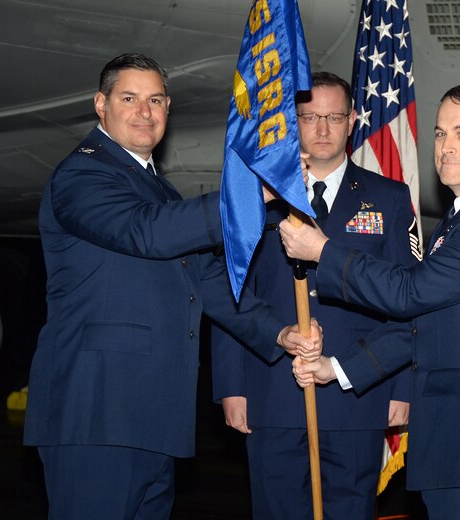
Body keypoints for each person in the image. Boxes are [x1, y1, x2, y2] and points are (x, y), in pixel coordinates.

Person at [22, 53, 321, 520]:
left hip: (153, 417)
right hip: (97, 414)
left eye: (156, 100)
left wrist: (279, 333)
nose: (145, 112)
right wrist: (250, 193)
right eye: (129, 98)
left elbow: (207, 282)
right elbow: (146, 232)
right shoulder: (82, 175)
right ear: (101, 105)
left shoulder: (160, 192)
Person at [280, 83, 460, 519]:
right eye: (440, 133)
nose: (446, 146)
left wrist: (323, 252)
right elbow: (426, 321)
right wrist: (337, 368)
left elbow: (411, 292)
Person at [210, 72, 419, 519]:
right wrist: (232, 385)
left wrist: (402, 386)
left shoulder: (389, 198)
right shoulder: (256, 198)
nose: (322, 129)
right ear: (293, 121)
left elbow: (408, 299)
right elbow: (232, 292)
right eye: (309, 117)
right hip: (271, 389)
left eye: (333, 116)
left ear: (353, 121)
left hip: (357, 392)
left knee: (350, 509)